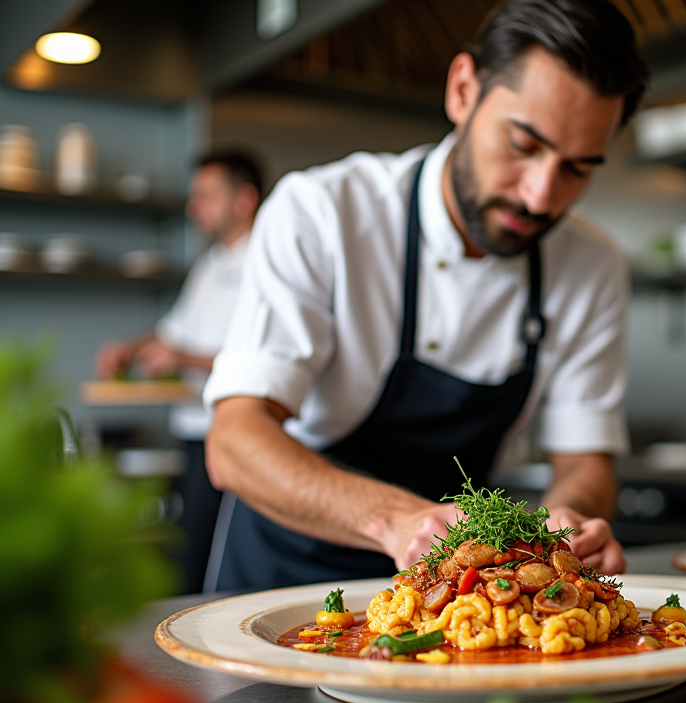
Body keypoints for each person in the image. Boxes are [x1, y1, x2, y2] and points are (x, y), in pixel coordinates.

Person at [202, 0, 648, 591]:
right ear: (463, 90)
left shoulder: (590, 265)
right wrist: (400, 523)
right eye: (522, 145)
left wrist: (570, 524)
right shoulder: (323, 212)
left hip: (457, 600)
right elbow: (233, 442)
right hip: (284, 577)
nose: (540, 197)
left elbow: (585, 462)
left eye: (578, 168)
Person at [94, 152, 262, 594]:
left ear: (244, 200)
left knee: (211, 566)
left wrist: (182, 359)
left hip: (231, 434)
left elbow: (260, 355)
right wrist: (129, 348)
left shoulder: (267, 260)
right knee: (188, 553)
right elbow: (173, 332)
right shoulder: (209, 265)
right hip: (192, 431)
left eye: (206, 196)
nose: (194, 207)